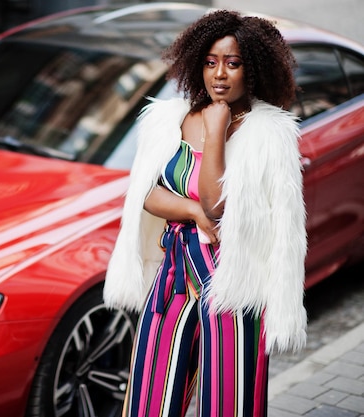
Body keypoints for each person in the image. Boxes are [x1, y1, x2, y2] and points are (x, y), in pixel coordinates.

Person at [103, 9, 307, 417]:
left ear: (254, 69)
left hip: (235, 280)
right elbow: (147, 194)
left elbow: (220, 205)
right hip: (175, 275)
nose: (219, 74)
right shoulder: (169, 119)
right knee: (151, 396)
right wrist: (194, 212)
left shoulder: (269, 135)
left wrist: (216, 132)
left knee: (228, 404)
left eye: (233, 63)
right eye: (211, 62)